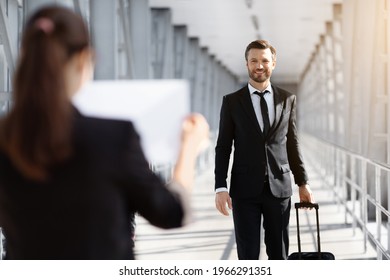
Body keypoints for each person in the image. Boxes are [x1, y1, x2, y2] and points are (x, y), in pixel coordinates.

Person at [0, 5, 209, 260]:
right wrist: (188, 149)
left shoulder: (6, 137)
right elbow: (171, 213)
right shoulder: (113, 137)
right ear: (84, 59)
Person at [214, 40, 314, 260]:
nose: (259, 66)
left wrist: (302, 182)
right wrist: (220, 187)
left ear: (273, 63)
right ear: (247, 64)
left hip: (279, 190)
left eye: (264, 61)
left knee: (279, 254)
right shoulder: (232, 102)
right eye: (254, 61)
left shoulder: (288, 99)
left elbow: (292, 143)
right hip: (244, 191)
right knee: (248, 255)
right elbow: (223, 147)